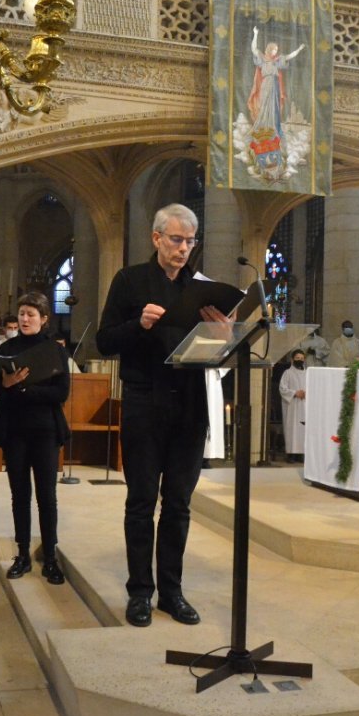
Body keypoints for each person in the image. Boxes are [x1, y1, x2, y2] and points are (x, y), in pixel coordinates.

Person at [97, 203, 230, 628]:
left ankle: (171, 592)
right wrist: (139, 324)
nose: (184, 248)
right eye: (176, 239)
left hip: (191, 403)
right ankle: (140, 592)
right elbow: (103, 341)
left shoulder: (202, 287)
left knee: (179, 505)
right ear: (157, 238)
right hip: (143, 400)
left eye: (190, 241)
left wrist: (224, 337)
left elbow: (214, 358)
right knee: (140, 503)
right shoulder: (130, 280)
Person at [0, 292, 71, 584]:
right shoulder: (6, 347)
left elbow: (62, 393)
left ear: (44, 319)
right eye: (22, 313)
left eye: (31, 314)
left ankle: (50, 557)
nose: (24, 319)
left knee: (47, 496)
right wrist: (4, 383)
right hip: (15, 430)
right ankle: (22, 554)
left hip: (45, 429)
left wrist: (21, 389)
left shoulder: (55, 350)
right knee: (19, 495)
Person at [279, 349, 308, 462]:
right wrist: (295, 393)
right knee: (292, 429)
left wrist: (306, 393)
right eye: (297, 358)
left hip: (305, 405)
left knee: (303, 429)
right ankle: (291, 454)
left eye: (301, 358)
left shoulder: (308, 373)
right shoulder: (288, 373)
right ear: (292, 360)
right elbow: (282, 389)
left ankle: (301, 454)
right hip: (292, 406)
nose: (300, 360)